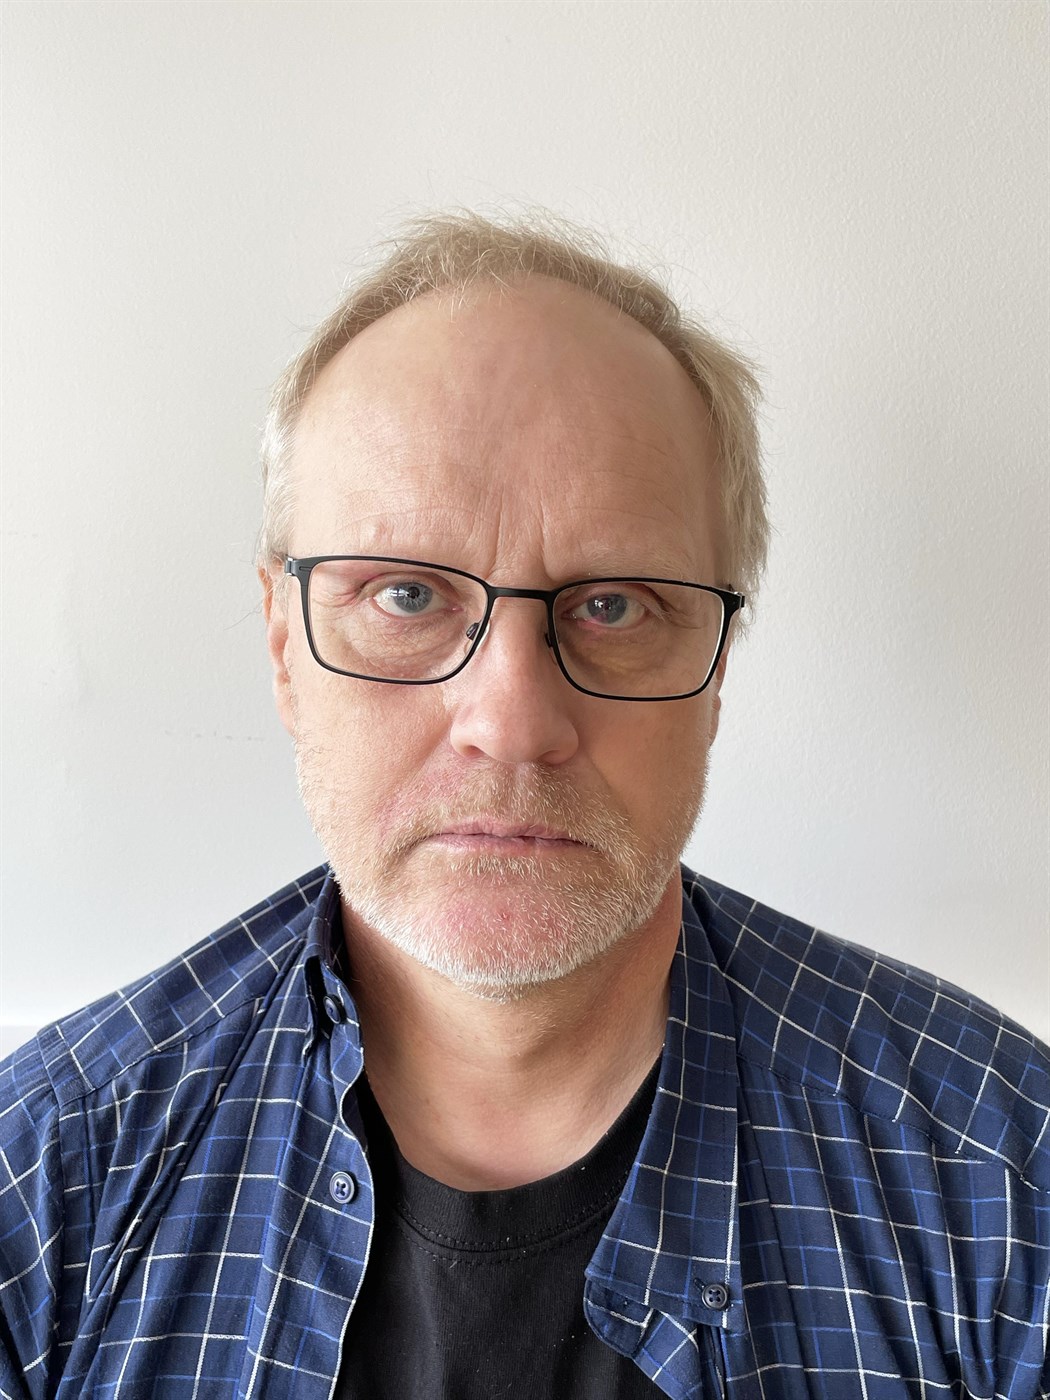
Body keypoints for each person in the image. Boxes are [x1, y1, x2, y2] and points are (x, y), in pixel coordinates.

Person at [1, 213, 1047, 1400]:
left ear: (716, 663)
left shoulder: (1002, 1180)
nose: (512, 721)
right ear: (285, 645)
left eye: (614, 604)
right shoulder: (44, 1191)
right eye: (406, 593)